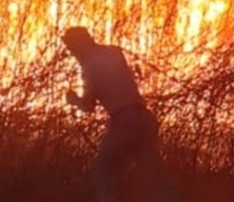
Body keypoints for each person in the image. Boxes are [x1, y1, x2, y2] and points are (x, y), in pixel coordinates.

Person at [62, 26, 179, 202]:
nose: (72, 54)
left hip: (125, 122)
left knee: (103, 170)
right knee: (154, 176)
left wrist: (73, 100)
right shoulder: (113, 53)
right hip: (144, 118)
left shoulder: (89, 65)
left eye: (72, 48)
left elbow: (88, 106)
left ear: (79, 45)